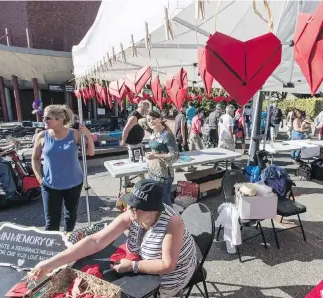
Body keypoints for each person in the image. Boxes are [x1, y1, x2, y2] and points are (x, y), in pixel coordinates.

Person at [29, 180, 197, 298]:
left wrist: (132, 266)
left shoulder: (172, 222)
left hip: (172, 276)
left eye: (136, 207)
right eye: (130, 204)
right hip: (146, 265)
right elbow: (96, 241)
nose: (129, 209)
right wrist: (49, 264)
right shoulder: (132, 215)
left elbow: (167, 265)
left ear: (153, 211)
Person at [32, 105, 95, 232]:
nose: (44, 121)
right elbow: (35, 158)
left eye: (48, 118)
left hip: (74, 183)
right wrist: (39, 178)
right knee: (51, 223)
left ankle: (68, 240)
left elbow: (90, 152)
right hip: (50, 185)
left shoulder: (75, 134)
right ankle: (53, 249)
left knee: (70, 217)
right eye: (44, 117)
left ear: (59, 120)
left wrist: (87, 134)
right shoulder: (42, 136)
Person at [146, 111, 179, 206]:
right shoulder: (153, 132)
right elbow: (140, 121)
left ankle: (171, 220)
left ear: (160, 119)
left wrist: (155, 156)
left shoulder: (167, 135)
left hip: (163, 175)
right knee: (156, 201)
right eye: (148, 120)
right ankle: (160, 219)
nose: (151, 121)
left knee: (165, 203)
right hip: (152, 172)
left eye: (153, 119)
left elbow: (175, 155)